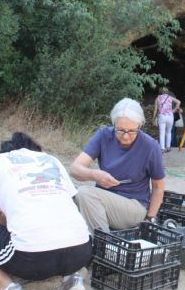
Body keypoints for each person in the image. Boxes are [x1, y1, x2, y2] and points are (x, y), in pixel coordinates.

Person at [0, 132, 92, 290]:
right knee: (66, 232)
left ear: (7, 152)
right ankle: (72, 279)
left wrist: (5, 220)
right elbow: (72, 204)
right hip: (82, 252)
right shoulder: (51, 160)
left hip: (31, 258)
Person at [71, 98, 166, 233]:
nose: (126, 136)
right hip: (103, 199)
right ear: (113, 124)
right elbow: (75, 169)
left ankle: (103, 244)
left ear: (140, 126)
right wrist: (94, 175)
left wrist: (150, 218)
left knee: (85, 193)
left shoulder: (150, 146)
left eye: (132, 131)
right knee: (71, 197)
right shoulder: (103, 136)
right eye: (120, 130)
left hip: (134, 206)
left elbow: (158, 187)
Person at [152, 87, 181, 153]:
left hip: (162, 116)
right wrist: (174, 110)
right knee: (169, 132)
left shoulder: (157, 98)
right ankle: (168, 147)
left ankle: (162, 148)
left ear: (160, 92)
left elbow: (155, 110)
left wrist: (153, 118)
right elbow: (179, 102)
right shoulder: (170, 97)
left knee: (162, 132)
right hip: (170, 116)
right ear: (167, 91)